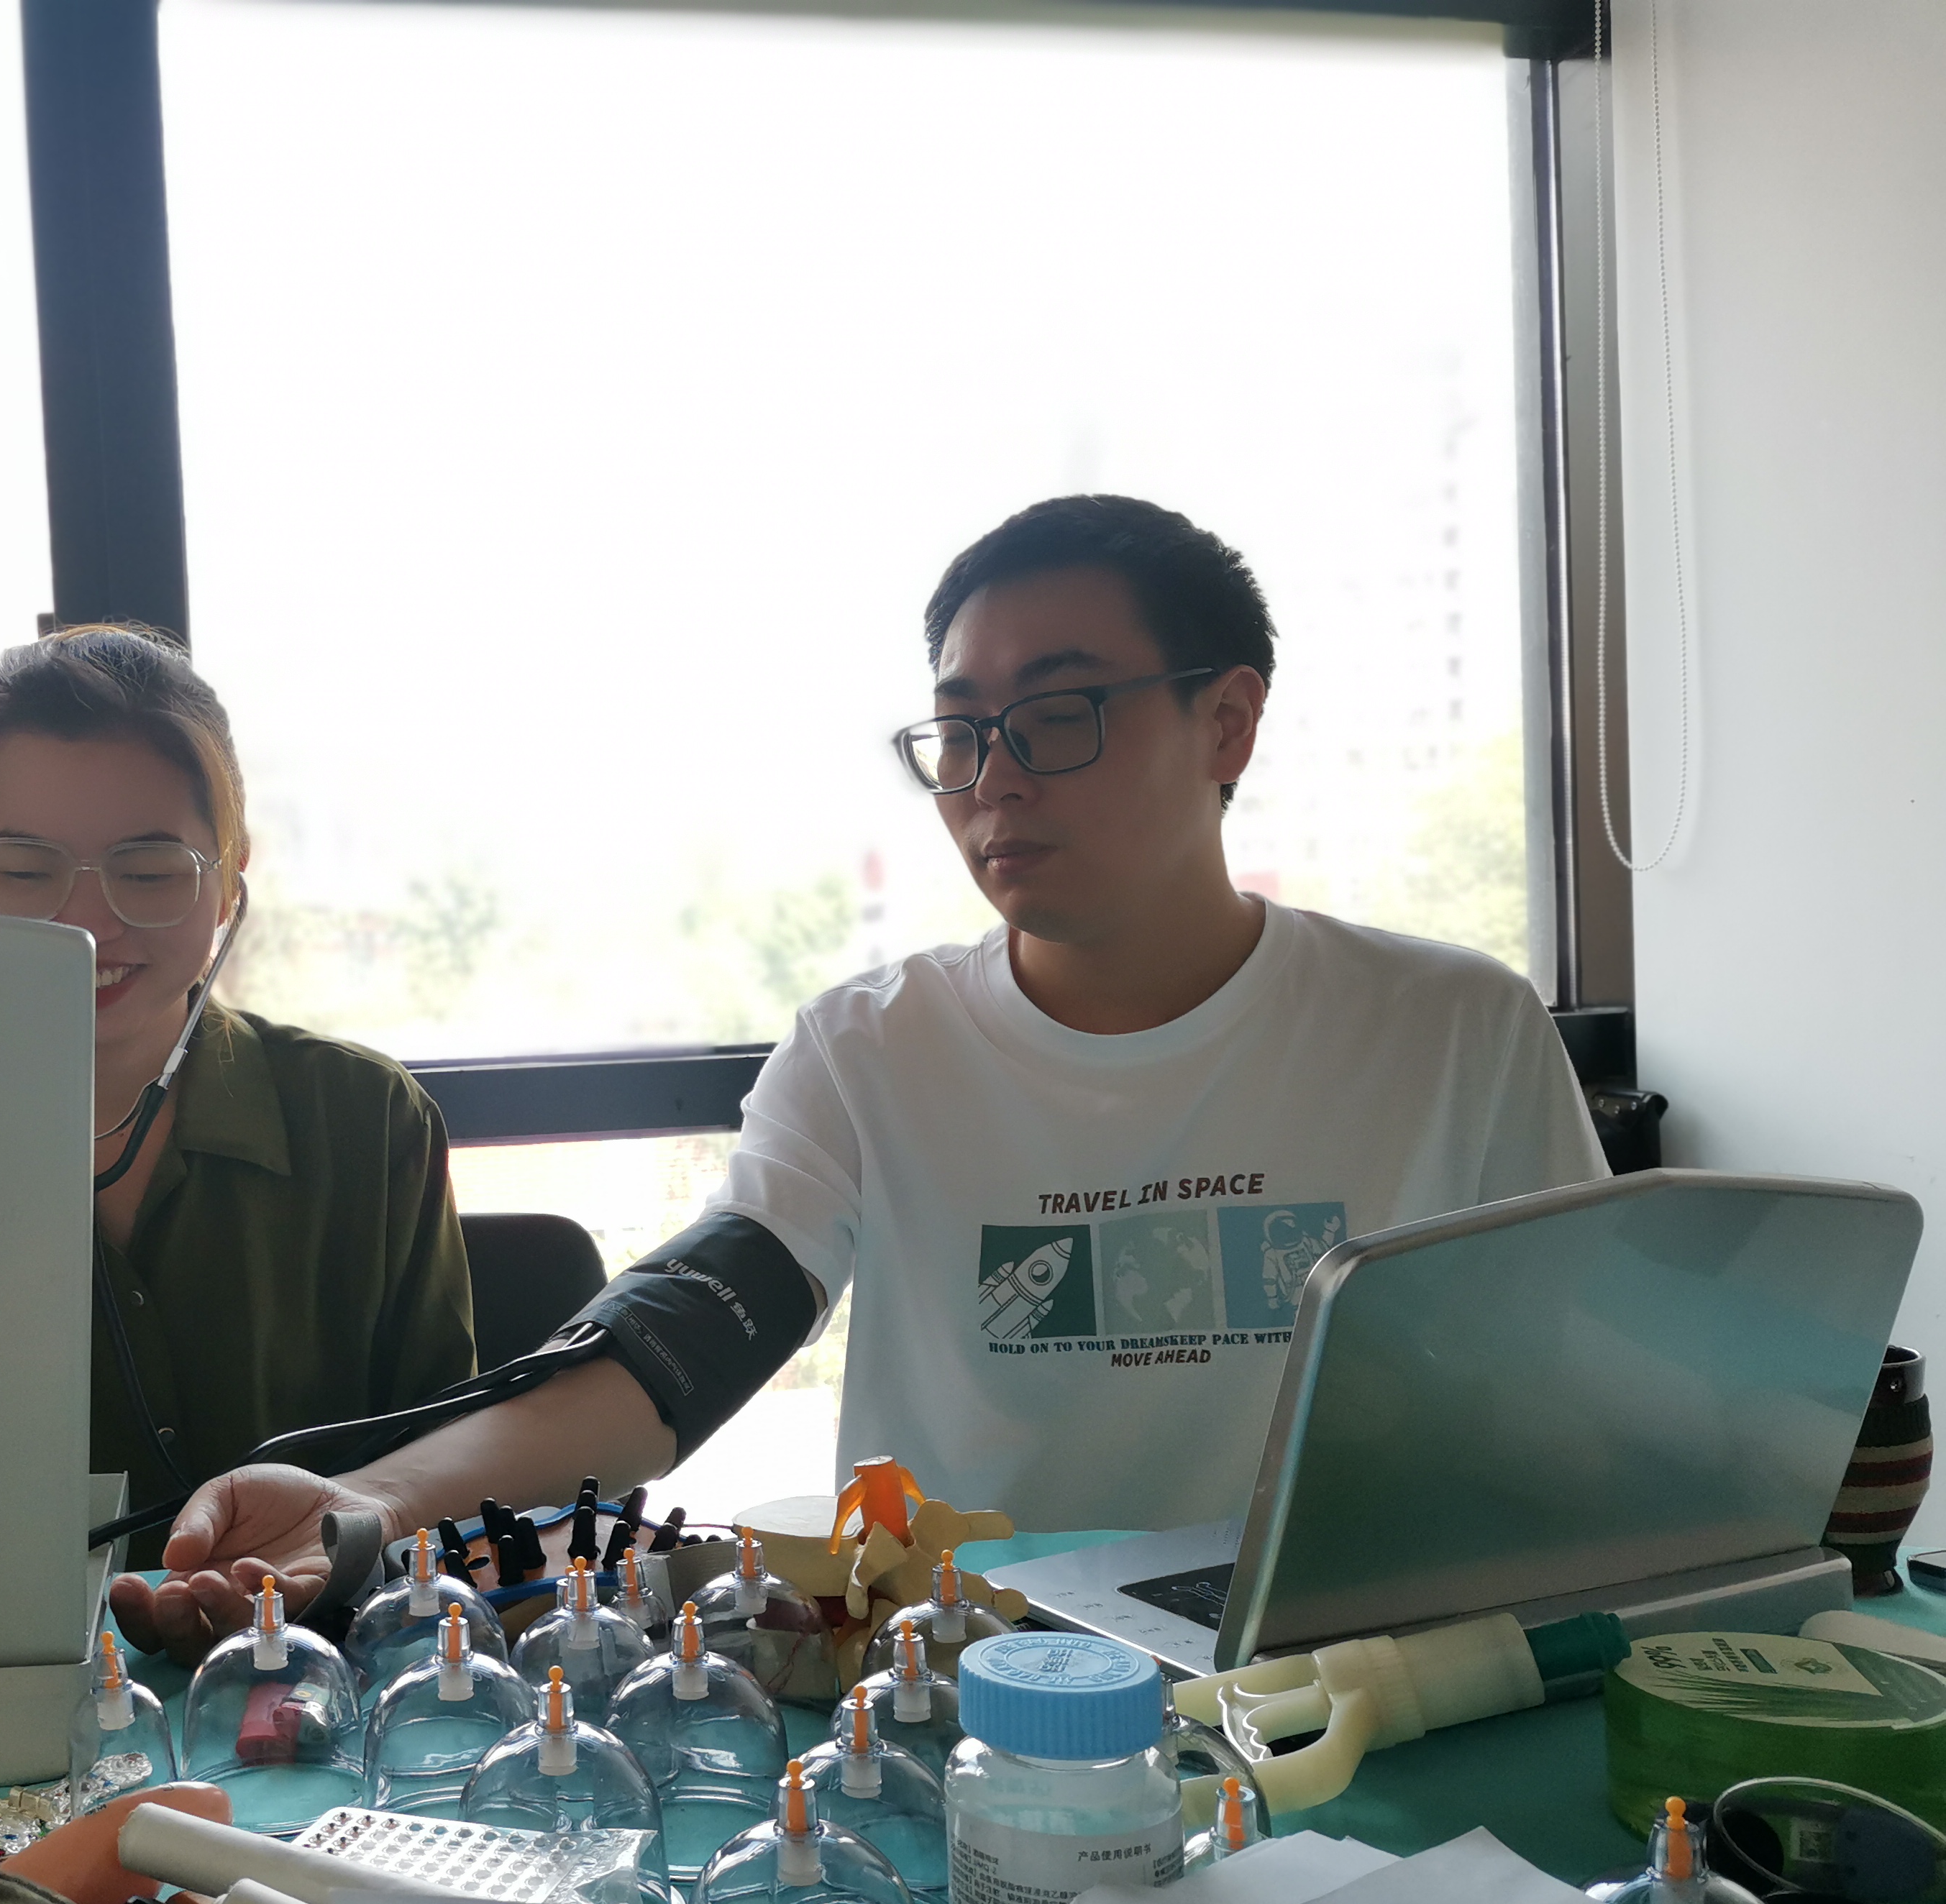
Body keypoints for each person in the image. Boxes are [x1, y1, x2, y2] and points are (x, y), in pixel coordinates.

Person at [145, 495, 1607, 1640]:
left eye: (1057, 715)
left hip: (1345, 1681)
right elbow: (687, 1336)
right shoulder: (872, 1051)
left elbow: (1577, 1417)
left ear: (1225, 721)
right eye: (959, 731)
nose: (993, 777)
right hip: (968, 1694)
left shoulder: (1448, 1033)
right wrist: (363, 1503)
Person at [0, 628, 477, 1653]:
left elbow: (445, 1487)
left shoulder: (368, 1127)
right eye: (24, 869)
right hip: (8, 1708)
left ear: (229, 879)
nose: (88, 923)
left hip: (334, 1682)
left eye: (147, 870)